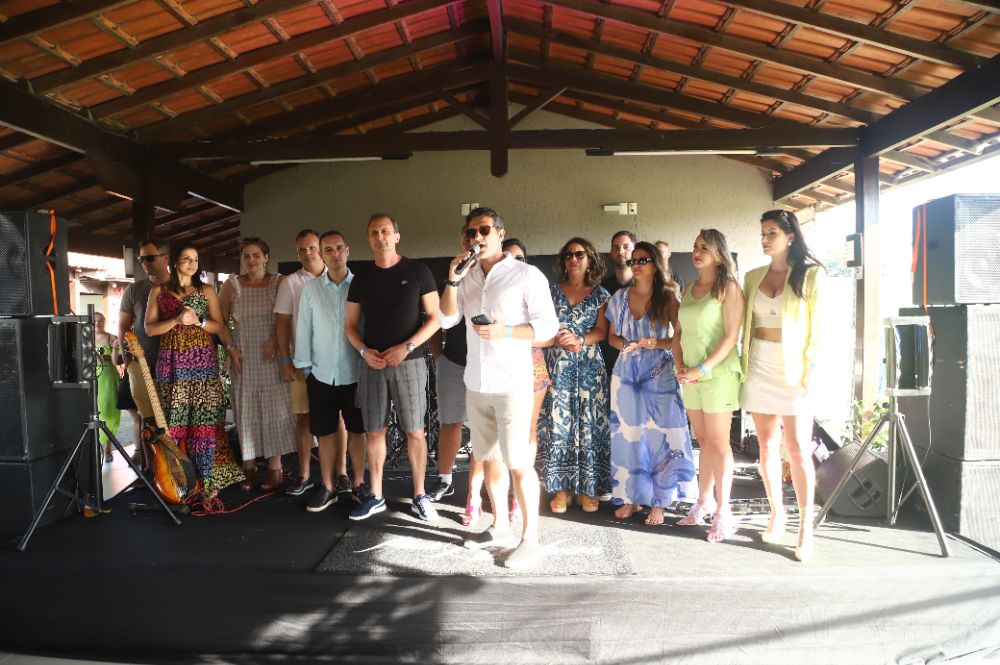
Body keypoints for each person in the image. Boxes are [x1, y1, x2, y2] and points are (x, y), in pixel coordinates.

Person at [440, 207, 559, 570]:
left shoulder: (526, 275)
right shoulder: (467, 276)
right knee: (489, 458)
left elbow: (548, 328)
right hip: (477, 383)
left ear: (500, 234)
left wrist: (505, 331)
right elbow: (446, 318)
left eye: (484, 230)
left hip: (513, 385)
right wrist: (453, 280)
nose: (476, 237)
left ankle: (531, 539)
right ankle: (500, 527)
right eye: (470, 231)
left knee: (518, 463)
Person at [740, 209, 826, 562]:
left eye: (772, 232)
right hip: (759, 364)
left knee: (798, 448)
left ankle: (806, 526)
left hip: (794, 370)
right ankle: (777, 512)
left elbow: (820, 327)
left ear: (790, 236)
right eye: (762, 232)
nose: (765, 239)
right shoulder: (752, 277)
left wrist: (811, 369)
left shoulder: (811, 274)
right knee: (766, 446)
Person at [346, 214, 441, 521]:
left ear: (396, 236)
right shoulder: (361, 277)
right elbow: (350, 326)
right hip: (372, 364)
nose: (380, 236)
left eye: (385, 231)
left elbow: (435, 318)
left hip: (410, 363)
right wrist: (364, 351)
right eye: (374, 232)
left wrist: (408, 347)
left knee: (415, 431)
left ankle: (419, 495)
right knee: (374, 432)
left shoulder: (418, 271)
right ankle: (376, 495)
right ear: (369, 239)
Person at [607, 242, 697, 525]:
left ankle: (661, 501)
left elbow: (680, 338)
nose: (635, 264)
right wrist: (623, 344)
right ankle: (632, 497)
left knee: (661, 436)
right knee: (630, 435)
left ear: (655, 263)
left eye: (642, 260)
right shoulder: (619, 297)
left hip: (660, 372)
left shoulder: (668, 296)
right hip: (626, 373)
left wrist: (654, 343)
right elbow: (611, 337)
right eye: (633, 260)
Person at [145, 243, 243, 501]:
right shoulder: (158, 291)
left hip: (202, 365)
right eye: (186, 258)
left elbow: (219, 325)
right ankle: (177, 483)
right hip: (171, 366)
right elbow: (149, 329)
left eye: (195, 259)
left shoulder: (206, 290)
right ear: (174, 261)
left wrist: (197, 320)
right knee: (172, 423)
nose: (192, 263)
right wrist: (176, 320)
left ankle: (206, 481)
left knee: (203, 425)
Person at [673, 229, 744, 541]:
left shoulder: (729, 288)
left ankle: (723, 511)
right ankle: (703, 502)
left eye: (704, 247)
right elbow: (678, 333)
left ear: (718, 253)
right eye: (695, 246)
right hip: (690, 376)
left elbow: (731, 337)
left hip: (718, 376)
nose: (697, 251)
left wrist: (701, 369)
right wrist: (680, 366)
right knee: (702, 440)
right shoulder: (689, 288)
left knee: (718, 443)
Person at [294, 230, 368, 513]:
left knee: (358, 431)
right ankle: (327, 487)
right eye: (328, 250)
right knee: (324, 433)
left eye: (339, 248)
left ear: (347, 250)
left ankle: (359, 484)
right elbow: (303, 328)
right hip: (321, 374)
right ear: (321, 254)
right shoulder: (311, 289)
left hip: (356, 373)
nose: (334, 254)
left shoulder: (361, 286)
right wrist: (306, 368)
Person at [537, 237, 611, 514]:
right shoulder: (550, 292)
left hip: (589, 367)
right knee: (559, 425)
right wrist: (557, 338)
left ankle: (586, 489)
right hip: (557, 365)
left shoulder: (601, 294)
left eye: (580, 254)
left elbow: (602, 332)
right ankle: (562, 489)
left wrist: (579, 339)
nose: (573, 259)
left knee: (588, 426)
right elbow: (542, 325)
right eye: (568, 255)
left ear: (590, 259)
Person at [219, 237, 296, 492]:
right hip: (242, 354)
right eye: (246, 256)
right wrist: (230, 348)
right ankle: (249, 468)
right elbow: (218, 321)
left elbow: (290, 318)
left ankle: (275, 469)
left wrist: (277, 341)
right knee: (245, 409)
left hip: (273, 354)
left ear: (266, 257)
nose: (251, 260)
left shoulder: (279, 282)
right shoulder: (231, 285)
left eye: (256, 255)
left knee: (275, 410)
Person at [274, 230, 327, 497]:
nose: (307, 253)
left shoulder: (338, 277)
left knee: (337, 419)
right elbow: (282, 324)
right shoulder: (290, 282)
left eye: (312, 247)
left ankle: (339, 475)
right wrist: (285, 360)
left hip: (334, 363)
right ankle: (304, 475)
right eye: (301, 250)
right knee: (304, 419)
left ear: (321, 248)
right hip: (300, 362)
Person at [427, 227, 475, 514]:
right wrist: (438, 356)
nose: (472, 240)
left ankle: (477, 488)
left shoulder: (492, 273)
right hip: (453, 360)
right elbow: (435, 317)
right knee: (450, 422)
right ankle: (445, 480)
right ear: (461, 239)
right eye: (467, 235)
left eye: (478, 233)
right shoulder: (450, 271)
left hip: (487, 365)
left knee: (485, 429)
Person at [117, 237, 171, 470]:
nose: (145, 263)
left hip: (176, 365)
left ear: (165, 258)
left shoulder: (181, 286)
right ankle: (150, 472)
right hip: (143, 363)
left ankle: (178, 474)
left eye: (150, 258)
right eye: (141, 259)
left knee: (173, 421)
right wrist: (127, 360)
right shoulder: (135, 290)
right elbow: (123, 327)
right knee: (146, 422)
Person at [599, 231, 636, 379]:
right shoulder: (601, 288)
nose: (620, 251)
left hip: (639, 362)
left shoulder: (646, 286)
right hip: (609, 363)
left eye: (626, 247)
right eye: (616, 247)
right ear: (611, 253)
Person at [94, 312, 121, 463]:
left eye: (100, 320)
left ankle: (108, 448)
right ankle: (95, 448)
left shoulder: (111, 338)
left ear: (104, 321)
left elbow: (117, 360)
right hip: (91, 377)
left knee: (108, 412)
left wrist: (113, 351)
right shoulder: (85, 338)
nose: (97, 323)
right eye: (94, 321)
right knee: (94, 413)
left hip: (108, 377)